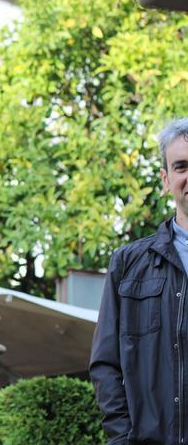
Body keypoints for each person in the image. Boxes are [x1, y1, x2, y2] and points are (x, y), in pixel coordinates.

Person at [91, 118, 188, 445]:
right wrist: (122, 438)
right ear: (166, 179)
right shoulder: (128, 264)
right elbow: (105, 364)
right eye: (181, 166)